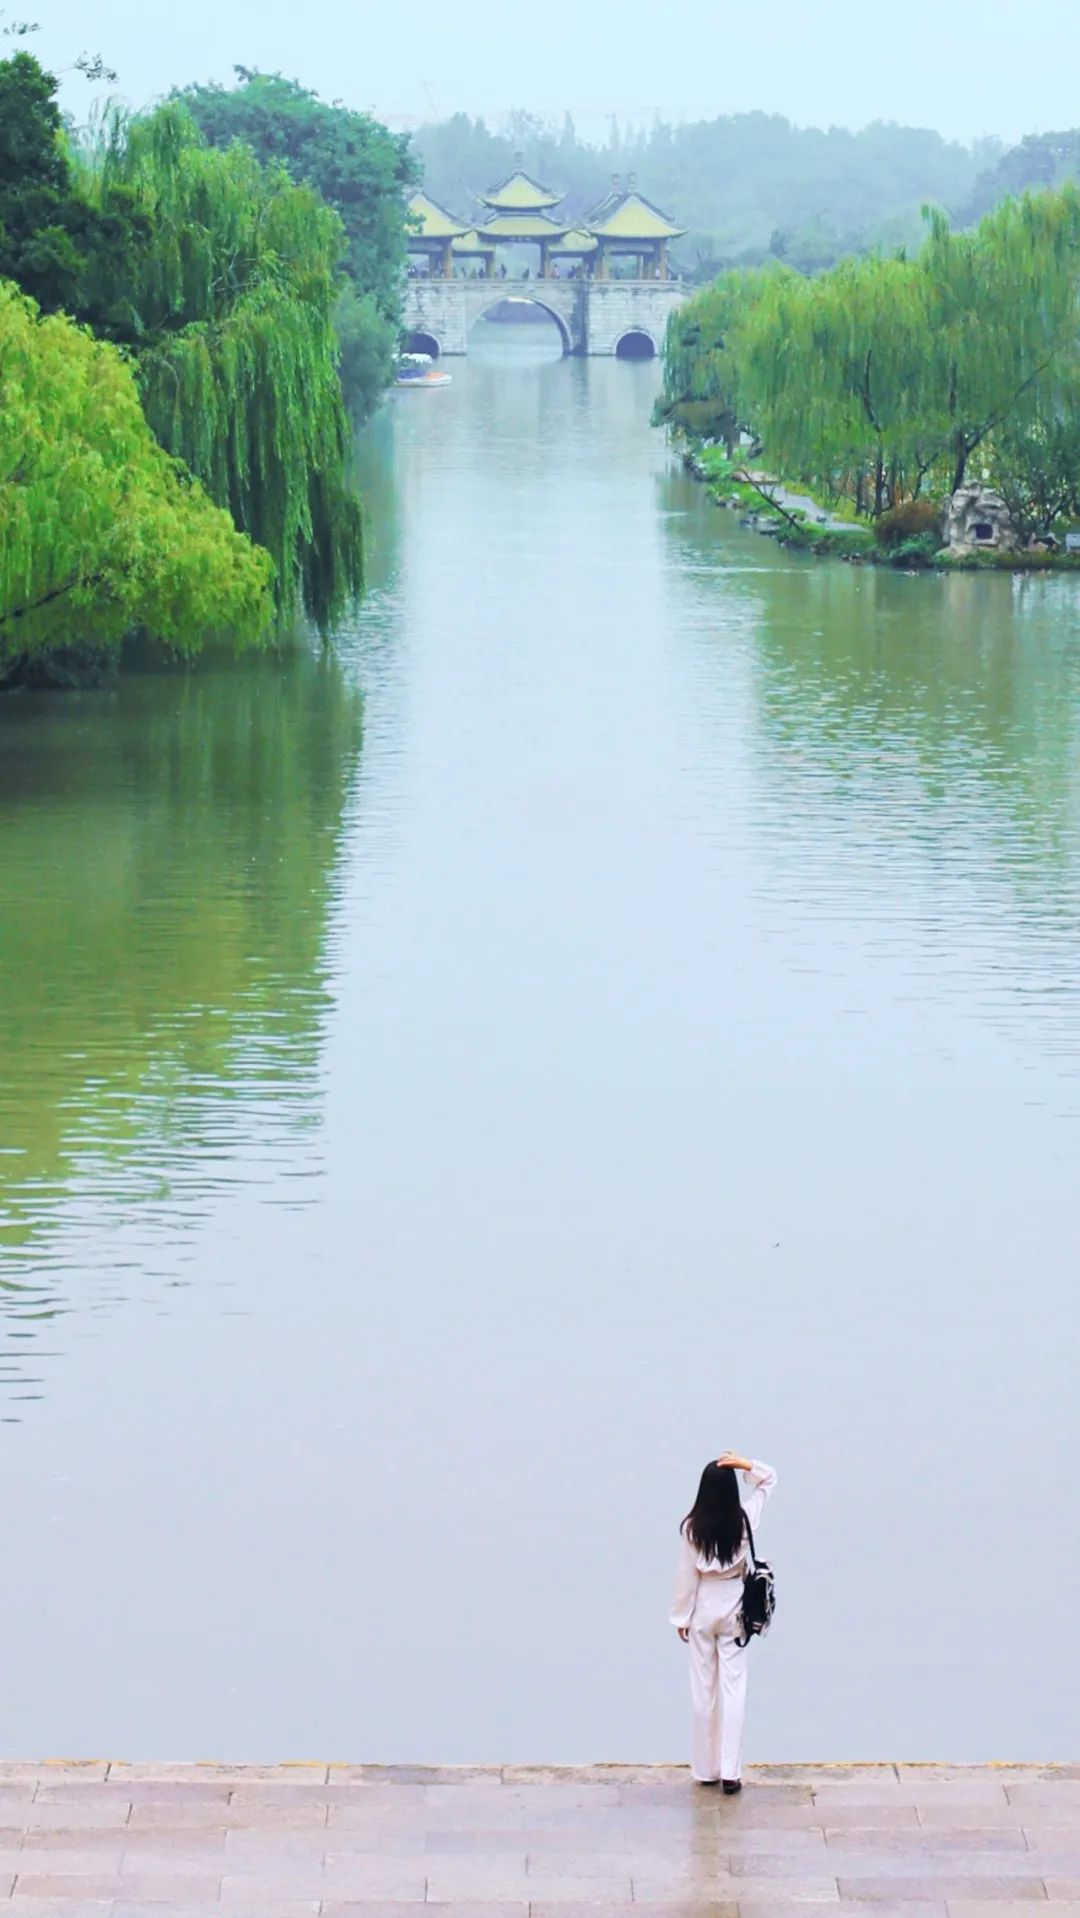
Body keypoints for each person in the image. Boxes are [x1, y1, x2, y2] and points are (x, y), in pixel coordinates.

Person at [670, 1452, 777, 1792]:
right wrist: (746, 1465)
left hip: (703, 1608)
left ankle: (705, 1769)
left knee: (703, 1691)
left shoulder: (691, 1527)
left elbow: (686, 1576)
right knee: (734, 1689)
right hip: (734, 1608)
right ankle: (731, 1772)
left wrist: (681, 1616)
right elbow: (770, 1479)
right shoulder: (744, 1519)